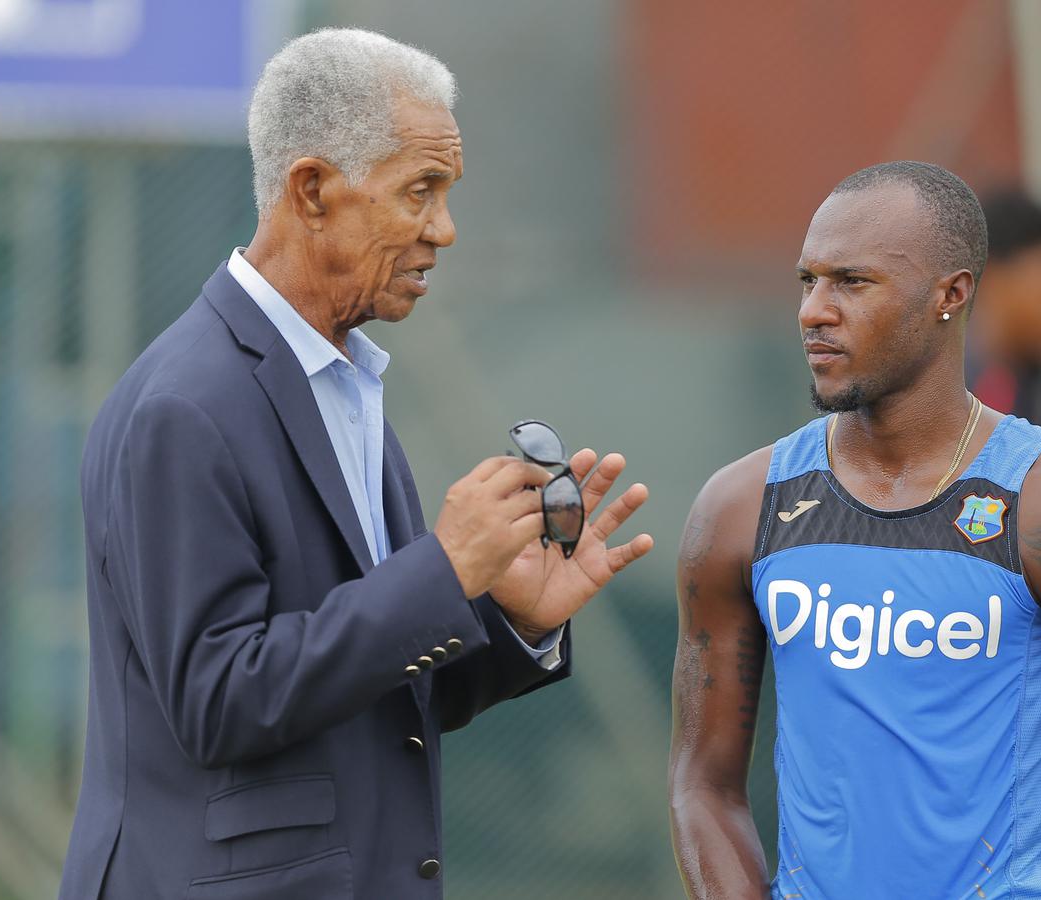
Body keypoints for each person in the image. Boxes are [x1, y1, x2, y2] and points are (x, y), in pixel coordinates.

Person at [59, 29, 653, 900]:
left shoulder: (341, 382)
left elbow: (378, 687)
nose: (443, 230)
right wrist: (441, 571)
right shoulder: (183, 408)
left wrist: (511, 622)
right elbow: (219, 701)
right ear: (312, 191)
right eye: (421, 190)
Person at [669, 161, 1041, 899]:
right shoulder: (742, 508)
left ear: (952, 294)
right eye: (807, 281)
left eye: (852, 281)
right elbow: (703, 785)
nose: (814, 309)